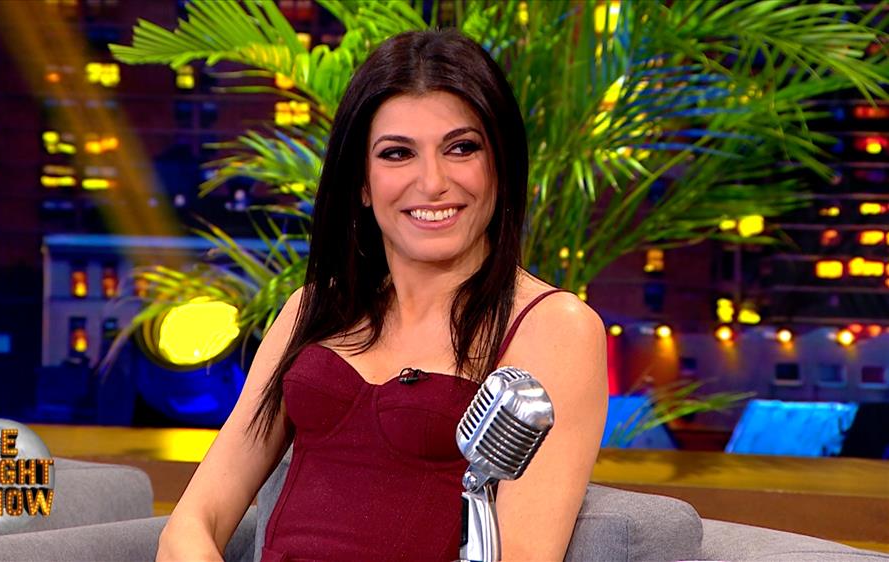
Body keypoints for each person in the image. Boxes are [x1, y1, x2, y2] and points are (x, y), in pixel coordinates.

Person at [157, 28, 607, 562]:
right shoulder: (313, 308)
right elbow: (194, 522)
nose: (432, 182)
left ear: (500, 167)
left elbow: (522, 557)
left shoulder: (554, 327)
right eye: (397, 153)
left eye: (461, 148)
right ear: (363, 184)